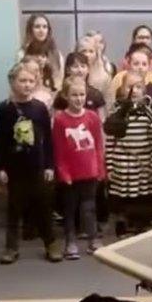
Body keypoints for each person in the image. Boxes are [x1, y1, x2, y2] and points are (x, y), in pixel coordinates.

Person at [0, 62, 62, 264]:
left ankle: (51, 243)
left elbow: (48, 139)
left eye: (31, 81)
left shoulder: (39, 108)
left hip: (37, 166)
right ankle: (11, 247)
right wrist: (0, 167)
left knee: (43, 207)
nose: (27, 85)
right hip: (15, 168)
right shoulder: (3, 109)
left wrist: (49, 165)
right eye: (22, 80)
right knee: (14, 209)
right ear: (12, 82)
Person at [52, 79, 105, 259]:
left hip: (89, 172)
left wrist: (100, 168)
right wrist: (63, 172)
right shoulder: (60, 120)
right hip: (70, 174)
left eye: (82, 94)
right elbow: (58, 149)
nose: (78, 98)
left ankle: (93, 239)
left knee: (89, 208)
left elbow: (98, 145)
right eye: (74, 95)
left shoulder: (93, 117)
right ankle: (70, 242)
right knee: (70, 209)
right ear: (66, 96)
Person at [105, 77, 152, 236]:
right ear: (122, 89)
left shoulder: (148, 115)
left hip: (141, 161)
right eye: (129, 86)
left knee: (140, 195)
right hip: (121, 162)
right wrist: (109, 167)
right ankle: (122, 221)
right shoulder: (116, 114)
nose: (133, 90)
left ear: (144, 92)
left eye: (138, 87)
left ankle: (138, 222)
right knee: (122, 195)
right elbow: (110, 142)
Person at [108, 45, 152, 111]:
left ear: (149, 66)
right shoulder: (121, 85)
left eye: (144, 64)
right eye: (136, 64)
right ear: (129, 65)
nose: (140, 67)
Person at [19, 14, 64, 92]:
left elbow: (60, 80)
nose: (41, 30)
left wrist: (48, 63)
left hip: (52, 96)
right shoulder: (22, 53)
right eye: (37, 27)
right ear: (30, 30)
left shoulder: (56, 54)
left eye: (44, 27)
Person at [62, 51, 107, 121]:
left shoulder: (96, 95)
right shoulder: (61, 96)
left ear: (88, 69)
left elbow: (102, 121)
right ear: (68, 70)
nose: (80, 70)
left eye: (83, 66)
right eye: (75, 66)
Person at [76, 36, 112, 109]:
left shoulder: (104, 77)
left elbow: (109, 104)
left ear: (96, 54)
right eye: (83, 51)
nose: (87, 55)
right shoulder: (71, 72)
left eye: (91, 51)